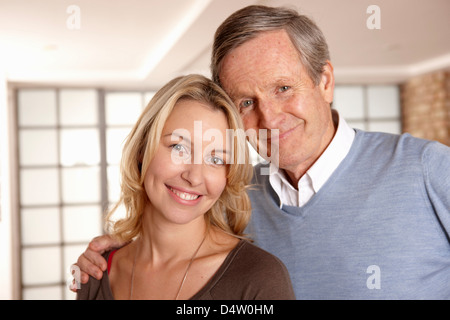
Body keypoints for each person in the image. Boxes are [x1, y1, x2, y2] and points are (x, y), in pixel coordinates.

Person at [74, 6, 450, 299]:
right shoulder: (233, 198)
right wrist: (123, 250)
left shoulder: (427, 169)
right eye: (246, 101)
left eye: (283, 88)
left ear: (325, 81)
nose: (269, 117)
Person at [75, 74, 295, 300]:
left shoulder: (258, 279)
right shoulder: (95, 271)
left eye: (217, 159)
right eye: (179, 148)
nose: (194, 177)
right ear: (142, 148)